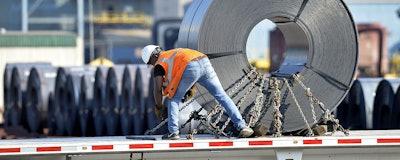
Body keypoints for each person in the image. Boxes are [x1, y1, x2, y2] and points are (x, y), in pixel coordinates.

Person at [141, 45, 254, 140]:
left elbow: (157, 89)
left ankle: (173, 132)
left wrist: (159, 107)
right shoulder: (172, 53)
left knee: (173, 99)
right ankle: (242, 126)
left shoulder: (159, 63)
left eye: (151, 62)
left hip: (190, 66)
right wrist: (190, 85)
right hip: (204, 61)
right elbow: (188, 65)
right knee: (222, 96)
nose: (152, 65)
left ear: (154, 56)